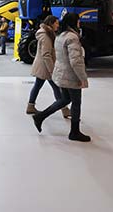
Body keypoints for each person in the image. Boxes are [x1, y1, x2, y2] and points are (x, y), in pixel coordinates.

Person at [32, 12, 91, 142]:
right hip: (71, 76)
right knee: (76, 102)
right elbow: (75, 61)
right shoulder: (72, 37)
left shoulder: (60, 35)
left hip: (61, 74)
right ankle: (74, 132)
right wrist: (82, 77)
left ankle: (40, 117)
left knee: (64, 100)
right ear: (73, 22)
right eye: (78, 20)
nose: (79, 23)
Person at [26, 15, 70, 119]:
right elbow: (46, 54)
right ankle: (65, 110)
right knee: (56, 88)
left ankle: (30, 106)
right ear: (51, 23)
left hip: (43, 66)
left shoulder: (47, 33)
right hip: (45, 67)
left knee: (39, 85)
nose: (58, 25)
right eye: (56, 23)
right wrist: (52, 70)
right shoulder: (45, 35)